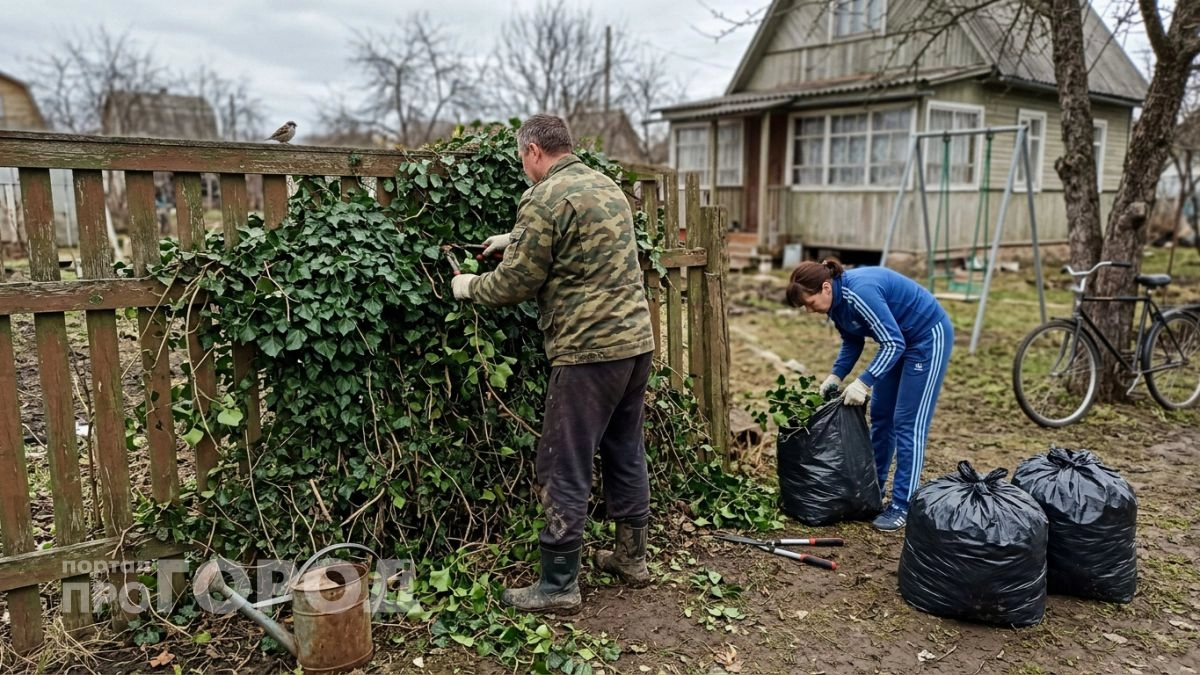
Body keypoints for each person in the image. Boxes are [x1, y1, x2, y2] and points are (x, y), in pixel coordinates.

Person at [450, 114, 656, 613]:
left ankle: (559, 584)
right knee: (624, 446)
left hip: (588, 350)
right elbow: (580, 241)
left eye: (523, 158)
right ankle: (632, 559)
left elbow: (515, 282)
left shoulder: (543, 197)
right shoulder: (604, 185)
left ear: (533, 152)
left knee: (564, 458)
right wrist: (510, 238)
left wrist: (468, 287)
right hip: (635, 343)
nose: (524, 167)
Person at [786, 259, 953, 532]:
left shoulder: (859, 292)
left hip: (926, 338)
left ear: (826, 287)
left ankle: (903, 504)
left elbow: (893, 343)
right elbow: (853, 340)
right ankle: (873, 490)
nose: (809, 309)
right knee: (882, 416)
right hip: (898, 342)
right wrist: (836, 376)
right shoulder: (836, 304)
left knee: (907, 423)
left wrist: (863, 383)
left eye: (809, 302)